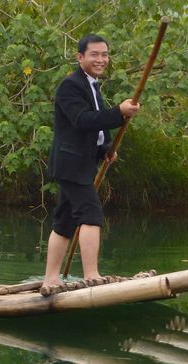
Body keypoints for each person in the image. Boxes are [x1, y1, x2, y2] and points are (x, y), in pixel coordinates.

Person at [42, 34, 141, 290]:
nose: (101, 59)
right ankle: (91, 275)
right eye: (94, 54)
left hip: (82, 163)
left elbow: (94, 126)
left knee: (65, 219)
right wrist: (119, 112)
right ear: (80, 57)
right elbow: (82, 120)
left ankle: (51, 279)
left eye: (105, 54)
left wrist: (105, 148)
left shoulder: (92, 85)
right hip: (70, 164)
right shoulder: (70, 86)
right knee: (91, 214)